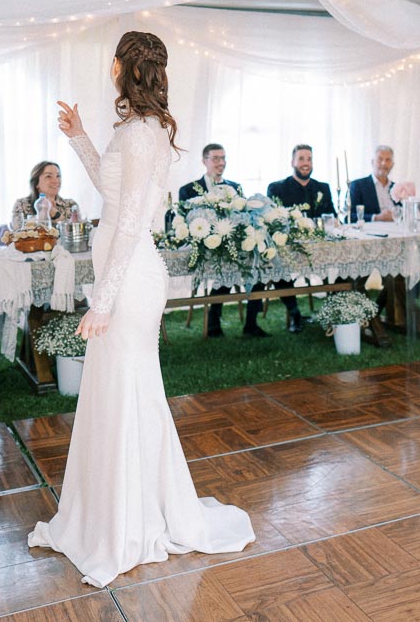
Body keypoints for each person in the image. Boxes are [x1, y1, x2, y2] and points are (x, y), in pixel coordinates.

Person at [31, 30, 254, 586]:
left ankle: (130, 523)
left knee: (128, 390)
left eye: (112, 59)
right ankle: (112, 511)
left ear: (123, 67)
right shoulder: (136, 129)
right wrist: (81, 137)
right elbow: (115, 196)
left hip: (128, 279)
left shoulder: (143, 133)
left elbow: (132, 218)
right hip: (120, 270)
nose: (107, 66)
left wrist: (104, 298)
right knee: (113, 391)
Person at [178, 144, 265, 338]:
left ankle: (251, 324)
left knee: (259, 265)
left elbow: (244, 217)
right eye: (216, 158)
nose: (221, 163)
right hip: (206, 249)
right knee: (224, 266)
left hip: (235, 247)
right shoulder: (188, 190)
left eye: (223, 158)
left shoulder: (235, 188)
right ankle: (213, 322)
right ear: (204, 161)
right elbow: (186, 221)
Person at [263, 144, 334, 332]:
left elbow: (332, 218)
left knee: (341, 263)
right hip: (289, 245)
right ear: (292, 162)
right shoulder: (277, 188)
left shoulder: (323, 188)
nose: (306, 163)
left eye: (309, 159)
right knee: (278, 264)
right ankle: (294, 313)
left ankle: (335, 310)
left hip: (320, 246)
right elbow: (273, 220)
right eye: (301, 159)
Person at [11, 161, 80, 224]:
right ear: (36, 183)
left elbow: (76, 232)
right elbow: (17, 232)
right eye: (48, 176)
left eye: (58, 176)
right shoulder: (21, 204)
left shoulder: (71, 205)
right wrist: (43, 212)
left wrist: (55, 213)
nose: (56, 181)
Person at [347, 146, 398, 222]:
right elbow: (349, 216)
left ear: (392, 164)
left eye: (388, 160)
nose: (384, 163)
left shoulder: (397, 188)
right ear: (372, 162)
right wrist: (376, 217)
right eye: (380, 159)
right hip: (371, 231)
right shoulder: (357, 186)